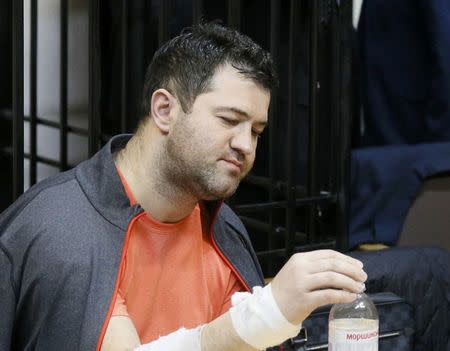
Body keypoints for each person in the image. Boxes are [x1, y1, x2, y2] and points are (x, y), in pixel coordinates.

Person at [0, 23, 368, 350]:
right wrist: (266, 313)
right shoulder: (65, 230)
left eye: (256, 131)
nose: (246, 144)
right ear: (164, 110)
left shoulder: (224, 230)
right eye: (229, 120)